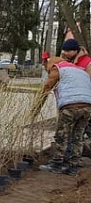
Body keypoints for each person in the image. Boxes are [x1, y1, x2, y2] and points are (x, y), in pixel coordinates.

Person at [29, 44, 91, 176]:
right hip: (87, 106)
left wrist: (34, 110)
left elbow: (45, 89)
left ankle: (56, 164)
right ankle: (73, 166)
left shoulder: (58, 68)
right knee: (77, 136)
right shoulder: (78, 70)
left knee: (62, 135)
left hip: (70, 106)